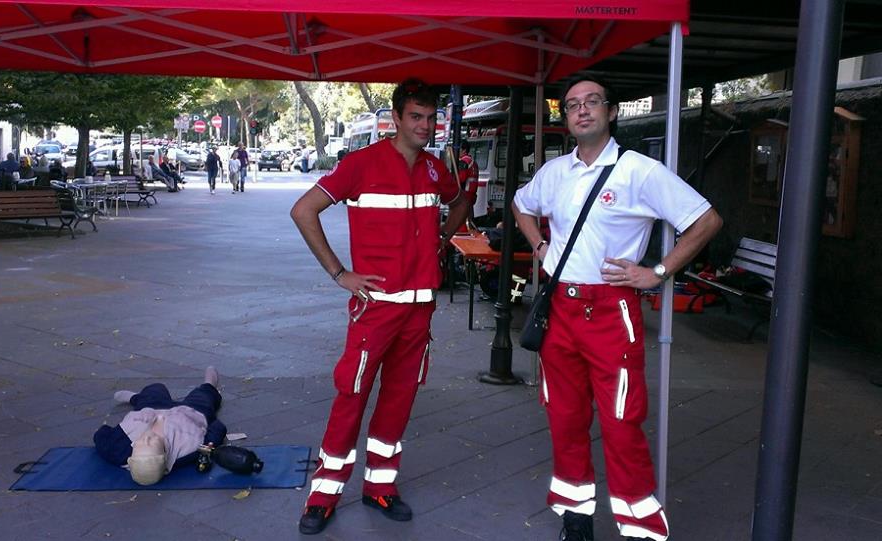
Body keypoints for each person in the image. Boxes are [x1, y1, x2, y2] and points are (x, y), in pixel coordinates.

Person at [512, 75, 723, 541]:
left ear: (611, 112)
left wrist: (658, 271)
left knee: (622, 421)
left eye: (592, 102)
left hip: (611, 311)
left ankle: (640, 528)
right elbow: (520, 204)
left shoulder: (640, 171)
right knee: (565, 418)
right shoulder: (555, 172)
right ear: (566, 118)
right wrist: (540, 246)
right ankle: (576, 520)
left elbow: (705, 221)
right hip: (560, 310)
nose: (582, 110)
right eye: (572, 105)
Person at [290, 78, 470, 535]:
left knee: (399, 397)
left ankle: (380, 486)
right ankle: (323, 494)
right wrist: (340, 274)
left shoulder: (434, 169)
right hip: (375, 309)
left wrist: (441, 240)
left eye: (431, 118)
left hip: (420, 309)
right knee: (351, 394)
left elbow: (460, 202)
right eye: (416, 117)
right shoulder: (361, 164)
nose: (425, 126)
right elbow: (303, 211)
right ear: (396, 118)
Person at [93, 366, 227, 486]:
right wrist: (209, 421)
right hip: (187, 412)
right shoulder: (188, 449)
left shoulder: (117, 450)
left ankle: (135, 398)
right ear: (164, 454)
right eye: (151, 444)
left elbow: (101, 436)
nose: (146, 439)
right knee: (205, 398)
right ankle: (210, 383)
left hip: (153, 408)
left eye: (139, 444)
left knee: (155, 389)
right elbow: (217, 432)